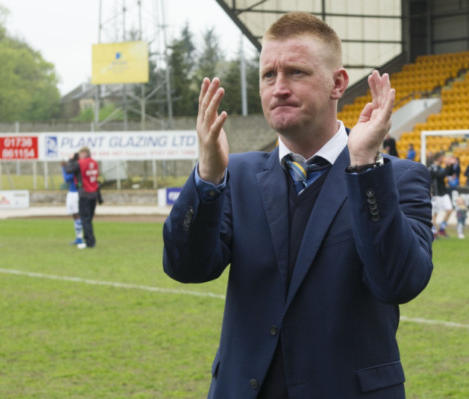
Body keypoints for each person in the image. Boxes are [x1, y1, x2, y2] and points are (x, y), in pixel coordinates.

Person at [162, 12, 433, 399]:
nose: (279, 87)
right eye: (268, 75)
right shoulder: (232, 176)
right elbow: (186, 268)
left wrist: (365, 169)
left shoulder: (396, 176)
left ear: (337, 83)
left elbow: (399, 282)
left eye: (297, 73)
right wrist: (207, 178)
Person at [64, 146, 100, 249]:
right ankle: (90, 240)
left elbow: (68, 169)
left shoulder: (81, 163)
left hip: (85, 193)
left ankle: (89, 242)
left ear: (84, 153)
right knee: (89, 219)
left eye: (80, 154)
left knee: (85, 218)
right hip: (94, 193)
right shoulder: (94, 162)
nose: (79, 156)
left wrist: (71, 159)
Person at [429, 152, 455, 239]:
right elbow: (441, 175)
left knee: (450, 210)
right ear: (439, 158)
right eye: (442, 158)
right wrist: (447, 166)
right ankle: (434, 232)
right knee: (435, 214)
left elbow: (449, 173)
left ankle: (442, 229)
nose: (443, 159)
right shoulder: (431, 168)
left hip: (443, 193)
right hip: (436, 194)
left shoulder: (440, 167)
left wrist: (450, 166)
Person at [61, 153, 84, 247]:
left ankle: (80, 238)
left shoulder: (74, 167)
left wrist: (63, 168)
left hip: (75, 192)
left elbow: (67, 179)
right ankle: (78, 237)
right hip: (73, 192)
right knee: (75, 215)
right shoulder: (74, 167)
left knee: (77, 214)